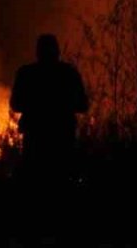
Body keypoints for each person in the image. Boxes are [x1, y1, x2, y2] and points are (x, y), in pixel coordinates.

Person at [9, 33, 88, 185]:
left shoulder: (27, 74)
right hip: (62, 139)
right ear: (58, 51)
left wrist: (36, 106)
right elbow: (83, 105)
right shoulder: (68, 73)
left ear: (37, 52)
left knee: (35, 180)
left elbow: (15, 104)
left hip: (35, 139)